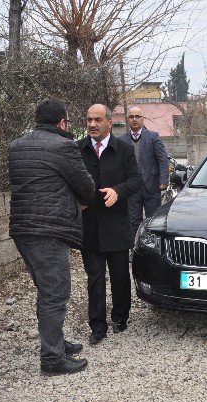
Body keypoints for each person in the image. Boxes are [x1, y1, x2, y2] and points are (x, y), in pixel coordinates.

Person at [8, 98, 95, 375]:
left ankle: (55, 342)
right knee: (55, 294)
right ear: (61, 122)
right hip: (49, 230)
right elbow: (86, 186)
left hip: (22, 229)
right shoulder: (63, 146)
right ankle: (53, 360)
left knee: (47, 291)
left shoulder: (16, 146)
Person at [78, 104, 141, 345]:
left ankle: (120, 317)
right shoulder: (78, 149)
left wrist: (118, 191)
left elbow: (136, 180)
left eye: (97, 120)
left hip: (116, 224)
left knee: (119, 276)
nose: (92, 124)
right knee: (94, 277)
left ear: (108, 123)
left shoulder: (123, 150)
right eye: (88, 120)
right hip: (90, 226)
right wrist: (78, 201)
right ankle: (97, 325)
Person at [118, 106, 169, 239]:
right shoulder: (122, 140)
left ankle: (152, 249)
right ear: (128, 119)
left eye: (137, 116)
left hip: (151, 186)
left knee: (153, 222)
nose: (134, 119)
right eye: (131, 117)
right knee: (133, 221)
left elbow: (163, 159)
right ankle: (135, 251)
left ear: (143, 119)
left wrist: (164, 181)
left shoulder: (153, 137)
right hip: (132, 188)